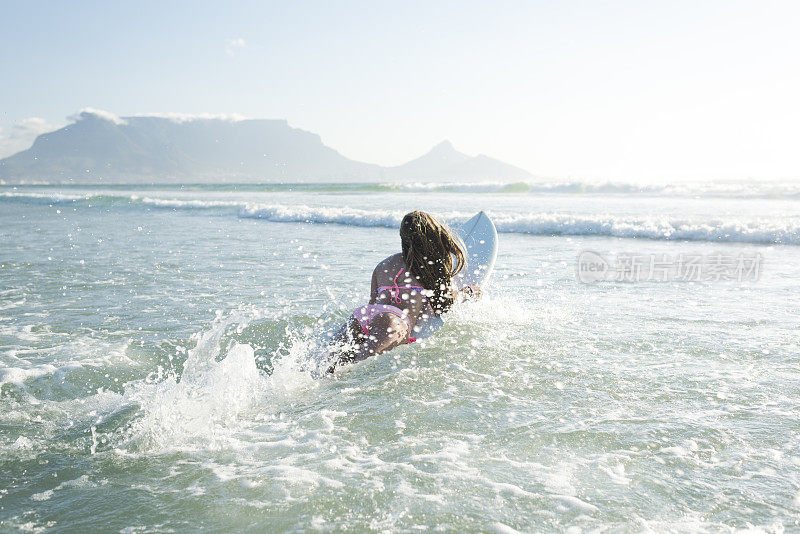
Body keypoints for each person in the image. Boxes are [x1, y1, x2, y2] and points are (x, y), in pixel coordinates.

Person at [327, 210, 480, 372]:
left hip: (362, 316)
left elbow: (373, 303)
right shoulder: (427, 267)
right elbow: (445, 304)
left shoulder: (383, 265)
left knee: (329, 366)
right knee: (355, 370)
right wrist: (467, 292)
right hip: (393, 322)